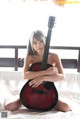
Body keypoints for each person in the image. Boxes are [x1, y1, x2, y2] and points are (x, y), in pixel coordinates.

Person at [4, 30, 72, 112]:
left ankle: (49, 103)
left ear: (45, 41)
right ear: (31, 44)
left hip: (47, 91)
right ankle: (22, 98)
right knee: (9, 107)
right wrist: (47, 72)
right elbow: (25, 75)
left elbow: (62, 77)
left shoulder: (54, 56)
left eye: (41, 42)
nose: (38, 45)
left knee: (66, 107)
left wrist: (42, 78)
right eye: (34, 43)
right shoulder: (30, 57)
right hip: (31, 89)